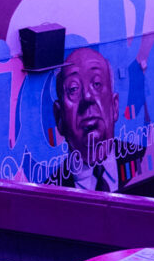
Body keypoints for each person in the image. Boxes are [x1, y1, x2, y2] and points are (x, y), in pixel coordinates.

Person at [48, 46, 142, 191]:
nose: (87, 97)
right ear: (59, 117)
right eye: (73, 89)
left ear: (114, 106)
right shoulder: (51, 190)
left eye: (97, 84)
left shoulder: (139, 158)